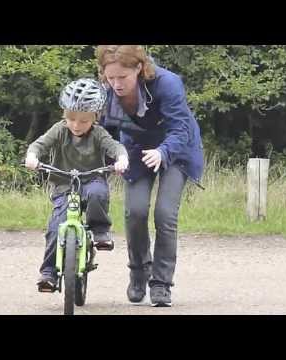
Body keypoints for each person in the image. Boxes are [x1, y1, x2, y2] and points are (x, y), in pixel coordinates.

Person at [96, 45, 204, 307]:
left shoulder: (168, 84)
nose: (116, 84)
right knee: (135, 212)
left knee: (165, 214)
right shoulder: (105, 93)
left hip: (176, 149)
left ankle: (161, 284)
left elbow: (180, 128)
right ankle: (138, 271)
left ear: (139, 69)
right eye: (111, 78)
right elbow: (99, 130)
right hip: (136, 149)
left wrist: (163, 151)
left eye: (123, 77)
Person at [25, 78, 129, 292]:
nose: (76, 125)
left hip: (92, 180)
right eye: (71, 119)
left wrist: (121, 159)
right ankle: (49, 274)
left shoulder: (98, 133)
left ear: (95, 117)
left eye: (83, 121)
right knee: (56, 227)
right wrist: (32, 156)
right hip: (64, 185)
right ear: (64, 114)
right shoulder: (59, 130)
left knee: (97, 193)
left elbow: (115, 146)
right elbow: (39, 144)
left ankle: (100, 230)